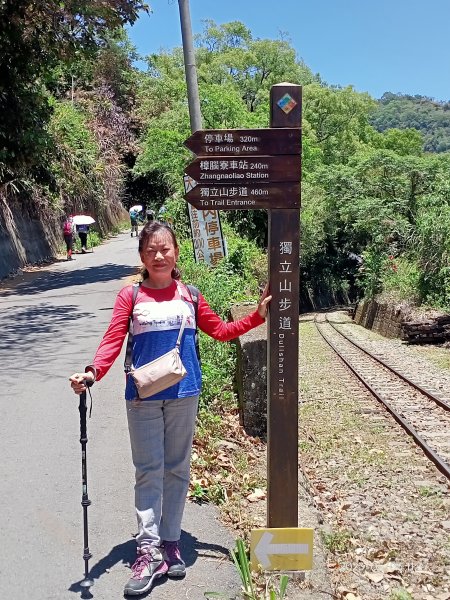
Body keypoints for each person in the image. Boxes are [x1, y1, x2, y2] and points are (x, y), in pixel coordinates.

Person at [69, 221, 271, 597]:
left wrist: (257, 316)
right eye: (150, 250)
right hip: (142, 396)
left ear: (176, 252)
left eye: (165, 248)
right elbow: (113, 338)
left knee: (177, 470)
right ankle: (148, 550)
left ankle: (171, 541)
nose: (158, 255)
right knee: (149, 472)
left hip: (185, 392)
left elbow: (222, 331)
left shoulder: (190, 295)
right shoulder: (131, 296)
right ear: (142, 256)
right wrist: (92, 372)